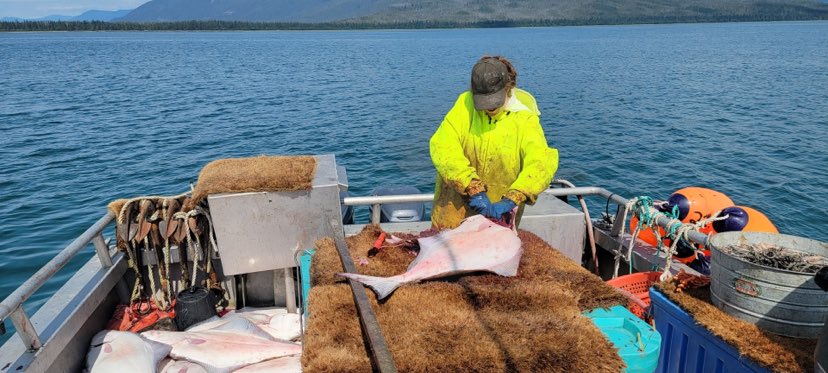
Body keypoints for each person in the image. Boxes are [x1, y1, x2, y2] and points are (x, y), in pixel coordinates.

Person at [430, 55, 559, 229]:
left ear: (508, 87)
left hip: (499, 221)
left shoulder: (524, 117)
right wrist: (470, 185)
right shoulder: (464, 104)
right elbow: (443, 147)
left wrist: (516, 195)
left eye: (494, 100)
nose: (489, 107)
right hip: (452, 218)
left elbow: (540, 162)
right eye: (483, 101)